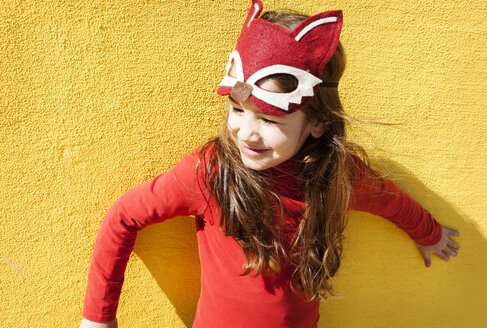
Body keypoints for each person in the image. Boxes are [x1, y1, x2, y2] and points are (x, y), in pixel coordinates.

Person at [79, 1, 460, 327]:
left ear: (317, 123)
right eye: (237, 110)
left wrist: (429, 233)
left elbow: (388, 199)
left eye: (270, 120)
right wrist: (99, 314)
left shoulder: (337, 176)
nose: (246, 133)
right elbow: (124, 216)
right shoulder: (212, 173)